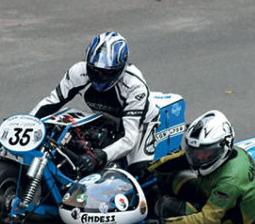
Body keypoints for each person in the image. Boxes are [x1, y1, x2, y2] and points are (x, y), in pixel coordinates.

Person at [30, 31, 159, 175]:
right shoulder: (79, 71)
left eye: (106, 73)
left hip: (141, 125)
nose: (99, 77)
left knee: (139, 172)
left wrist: (99, 156)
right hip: (108, 119)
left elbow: (129, 139)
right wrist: (27, 123)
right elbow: (52, 102)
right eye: (94, 70)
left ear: (121, 67)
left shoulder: (134, 86)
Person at [141, 110, 255, 224]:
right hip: (213, 191)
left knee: (166, 206)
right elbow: (182, 158)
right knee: (169, 179)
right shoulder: (226, 153)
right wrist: (149, 168)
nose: (198, 158)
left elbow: (207, 223)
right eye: (194, 152)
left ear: (224, 146)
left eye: (205, 153)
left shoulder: (230, 183)